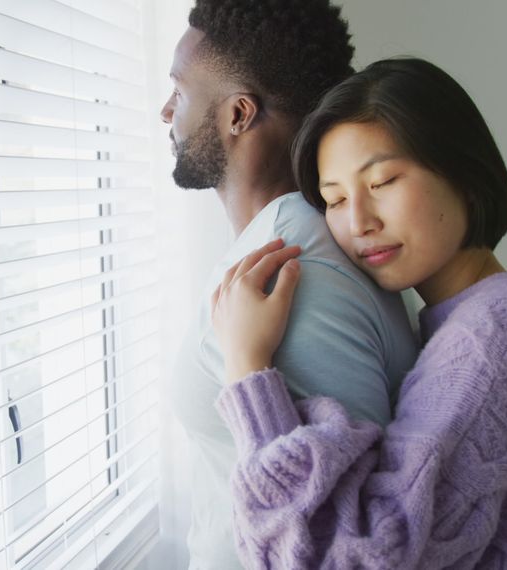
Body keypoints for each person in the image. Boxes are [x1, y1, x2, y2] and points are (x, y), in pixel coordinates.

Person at [209, 58, 507, 569]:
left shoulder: (497, 335)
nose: (358, 221)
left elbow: (347, 561)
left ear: (463, 171)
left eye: (382, 182)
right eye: (335, 199)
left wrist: (246, 367)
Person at [160, 1, 418, 567]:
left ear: (238, 115)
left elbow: (340, 540)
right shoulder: (280, 244)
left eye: (178, 91)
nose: (164, 111)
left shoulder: (292, 269)